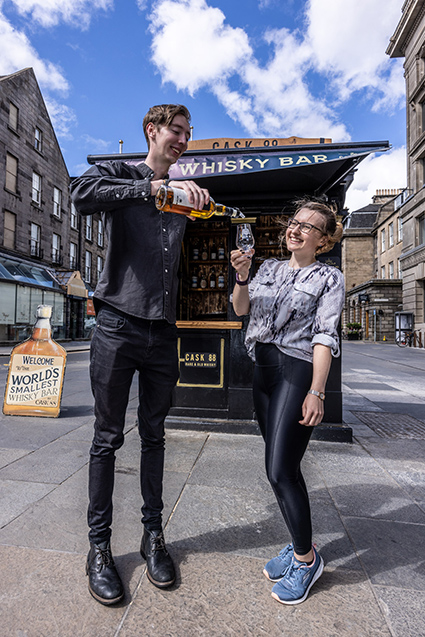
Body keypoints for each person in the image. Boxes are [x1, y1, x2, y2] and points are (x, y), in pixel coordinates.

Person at [71, 104, 210, 605]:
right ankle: (99, 549)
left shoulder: (184, 197)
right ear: (152, 131)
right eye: (176, 131)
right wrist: (148, 188)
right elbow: (80, 194)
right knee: (107, 439)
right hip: (115, 324)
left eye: (188, 134)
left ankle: (154, 537)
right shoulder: (120, 174)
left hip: (162, 332)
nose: (182, 140)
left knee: (155, 436)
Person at [230, 199, 345, 605]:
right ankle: (299, 543)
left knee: (279, 470)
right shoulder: (270, 268)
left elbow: (325, 337)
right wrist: (242, 276)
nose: (295, 230)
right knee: (279, 466)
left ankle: (306, 559)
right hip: (262, 371)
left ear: (324, 240)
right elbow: (242, 310)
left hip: (295, 372)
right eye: (294, 223)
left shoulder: (329, 278)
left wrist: (317, 390)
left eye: (308, 227)